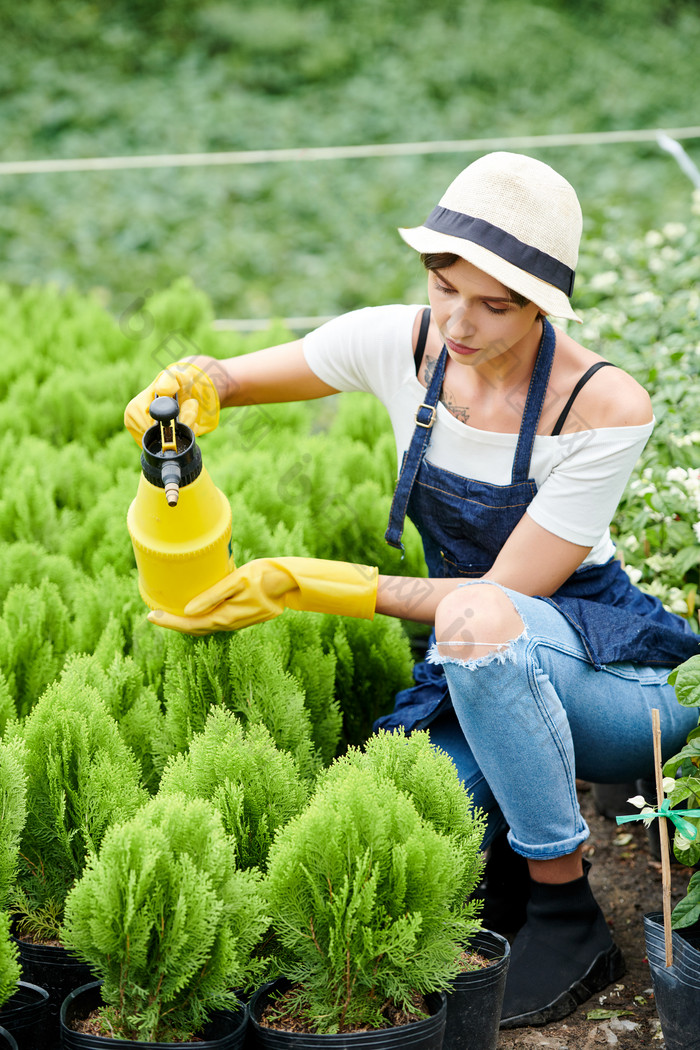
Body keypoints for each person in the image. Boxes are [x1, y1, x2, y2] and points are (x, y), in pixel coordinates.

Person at [125, 151, 700, 1028]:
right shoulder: (400, 342)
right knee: (406, 816)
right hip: (481, 665)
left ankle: (566, 912)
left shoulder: (602, 404)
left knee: (474, 622)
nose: (459, 322)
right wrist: (190, 386)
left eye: (494, 305)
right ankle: (509, 860)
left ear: (542, 304)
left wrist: (313, 585)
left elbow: (502, 600)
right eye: (443, 286)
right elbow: (234, 379)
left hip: (613, 685)